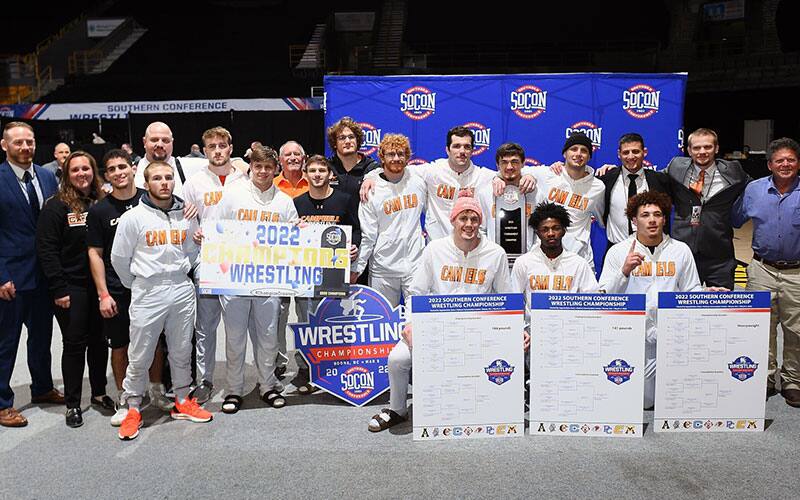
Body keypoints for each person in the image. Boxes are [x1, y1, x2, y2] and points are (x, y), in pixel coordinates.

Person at [368, 195, 519, 432]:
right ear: (453, 221)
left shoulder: (495, 253)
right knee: (397, 359)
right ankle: (397, 409)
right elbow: (416, 291)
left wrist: (515, 331)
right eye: (463, 218)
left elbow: (506, 297)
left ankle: (491, 406)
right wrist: (410, 325)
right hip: (438, 327)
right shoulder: (435, 249)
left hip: (479, 330)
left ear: (480, 222)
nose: (469, 224)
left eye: (474, 218)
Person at [111, 161, 210, 441]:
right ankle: (131, 407)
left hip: (180, 287)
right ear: (146, 183)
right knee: (140, 352)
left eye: (168, 177)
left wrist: (183, 276)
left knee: (181, 349)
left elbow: (192, 250)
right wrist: (139, 285)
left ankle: (182, 398)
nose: (164, 182)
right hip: (148, 290)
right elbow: (119, 259)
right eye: (157, 178)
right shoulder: (133, 218)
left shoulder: (186, 214)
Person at [87, 149, 175, 427]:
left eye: (122, 166)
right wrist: (103, 293)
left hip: (151, 287)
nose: (118, 173)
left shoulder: (150, 198)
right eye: (111, 169)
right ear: (106, 175)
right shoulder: (100, 210)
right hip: (117, 288)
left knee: (155, 342)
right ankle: (126, 397)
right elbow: (95, 254)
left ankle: (156, 389)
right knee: (121, 345)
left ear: (134, 168)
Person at [599, 191, 710, 409]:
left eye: (657, 214)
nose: (651, 220)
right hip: (632, 336)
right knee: (640, 401)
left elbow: (691, 289)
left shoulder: (680, 250)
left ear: (664, 219)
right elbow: (603, 297)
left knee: (672, 400)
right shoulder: (618, 252)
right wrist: (624, 271)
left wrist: (709, 296)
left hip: (671, 335)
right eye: (645, 215)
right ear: (633, 220)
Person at [210, 146, 298, 414]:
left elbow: (294, 239)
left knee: (268, 337)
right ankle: (234, 389)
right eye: (258, 167)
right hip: (235, 278)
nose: (263, 172)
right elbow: (215, 229)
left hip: (269, 279)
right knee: (235, 338)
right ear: (251, 168)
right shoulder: (233, 195)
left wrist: (304, 235)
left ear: (276, 170)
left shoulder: (284, 201)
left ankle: (267, 385)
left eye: (268, 167)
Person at [36, 151, 112, 428]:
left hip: (100, 286)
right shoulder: (56, 206)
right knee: (74, 343)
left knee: (100, 340)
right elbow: (46, 250)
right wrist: (59, 288)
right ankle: (72, 403)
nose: (82, 174)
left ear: (94, 171)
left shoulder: (102, 202)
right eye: (75, 170)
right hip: (71, 286)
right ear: (67, 174)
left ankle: (100, 392)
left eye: (86, 169)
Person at [363, 126, 535, 242]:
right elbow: (396, 168)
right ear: (447, 149)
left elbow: (510, 171)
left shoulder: (485, 176)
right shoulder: (432, 171)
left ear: (472, 150)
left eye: (467, 147)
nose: (462, 151)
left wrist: (529, 175)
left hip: (472, 248)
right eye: (457, 146)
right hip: (438, 249)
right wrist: (370, 176)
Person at [0, 122, 63, 429]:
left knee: (42, 338)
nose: (25, 147)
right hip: (11, 277)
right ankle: (2, 403)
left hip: (44, 276)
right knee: (6, 342)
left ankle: (41, 388)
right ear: (4, 146)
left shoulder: (48, 176)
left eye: (29, 142)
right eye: (18, 143)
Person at [732, 137, 800, 406]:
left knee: (796, 330)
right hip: (761, 269)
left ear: (798, 163)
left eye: (790, 160)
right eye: (779, 160)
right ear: (770, 164)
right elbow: (736, 218)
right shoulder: (754, 190)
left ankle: (793, 380)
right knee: (761, 327)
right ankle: (766, 377)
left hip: (797, 272)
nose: (785, 164)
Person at [181, 127, 247, 404]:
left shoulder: (245, 178)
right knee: (205, 327)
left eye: (222, 145)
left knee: (235, 328)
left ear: (231, 148)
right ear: (204, 150)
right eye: (212, 146)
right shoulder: (194, 183)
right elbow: (185, 220)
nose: (217, 151)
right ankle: (205, 379)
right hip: (206, 262)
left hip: (239, 263)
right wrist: (192, 233)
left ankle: (235, 383)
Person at [292, 154, 361, 394]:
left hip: (334, 274)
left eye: (322, 170)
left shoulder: (344, 199)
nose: (318, 174)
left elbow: (357, 230)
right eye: (312, 170)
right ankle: (306, 370)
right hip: (306, 275)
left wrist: (354, 247)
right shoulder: (297, 203)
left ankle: (334, 368)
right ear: (305, 174)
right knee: (307, 322)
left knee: (333, 322)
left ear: (331, 174)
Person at [664, 128, 750, 289]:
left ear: (716, 148)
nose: (702, 152)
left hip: (719, 256)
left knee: (721, 310)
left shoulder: (733, 170)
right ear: (689, 150)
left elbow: (755, 188)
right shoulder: (676, 167)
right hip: (683, 253)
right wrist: (618, 171)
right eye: (696, 148)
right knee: (679, 310)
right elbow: (652, 180)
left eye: (708, 147)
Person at [353, 134, 426, 307]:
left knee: (417, 319)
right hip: (383, 268)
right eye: (391, 154)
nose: (396, 158)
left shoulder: (418, 179)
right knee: (382, 321)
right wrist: (357, 267)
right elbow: (368, 234)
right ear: (382, 157)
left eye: (401, 154)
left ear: (407, 156)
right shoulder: (371, 189)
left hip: (415, 265)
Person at [527, 132, 605, 269]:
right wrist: (528, 176)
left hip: (581, 258)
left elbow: (604, 221)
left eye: (584, 151)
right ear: (565, 154)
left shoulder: (597, 187)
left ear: (589, 157)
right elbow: (512, 171)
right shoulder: (548, 174)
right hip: (544, 257)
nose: (578, 154)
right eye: (573, 149)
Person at [511, 202, 599, 306]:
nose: (551, 233)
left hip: (570, 321)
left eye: (556, 228)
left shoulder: (579, 264)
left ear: (564, 230)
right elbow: (514, 300)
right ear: (537, 232)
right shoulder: (523, 262)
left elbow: (593, 302)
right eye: (545, 229)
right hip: (533, 322)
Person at [597, 133, 671, 249]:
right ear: (619, 154)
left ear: (644, 152)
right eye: (626, 152)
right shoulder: (606, 178)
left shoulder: (660, 180)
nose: (631, 157)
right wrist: (561, 168)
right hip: (616, 249)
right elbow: (582, 180)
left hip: (653, 251)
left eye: (635, 151)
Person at [481, 142, 545, 251]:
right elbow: (481, 230)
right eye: (504, 162)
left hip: (527, 261)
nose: (509, 167)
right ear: (497, 165)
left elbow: (541, 230)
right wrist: (489, 255)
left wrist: (532, 256)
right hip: (494, 260)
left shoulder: (536, 194)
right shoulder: (486, 193)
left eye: (514, 162)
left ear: (523, 163)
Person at [133, 121, 203, 197]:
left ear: (172, 142)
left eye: (165, 140)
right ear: (144, 142)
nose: (160, 144)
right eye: (154, 140)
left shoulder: (188, 166)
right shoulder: (131, 171)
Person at [326, 117, 379, 195]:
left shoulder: (372, 168)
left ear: (357, 141)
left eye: (351, 137)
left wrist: (372, 177)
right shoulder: (327, 166)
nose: (347, 141)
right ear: (334, 143)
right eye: (342, 138)